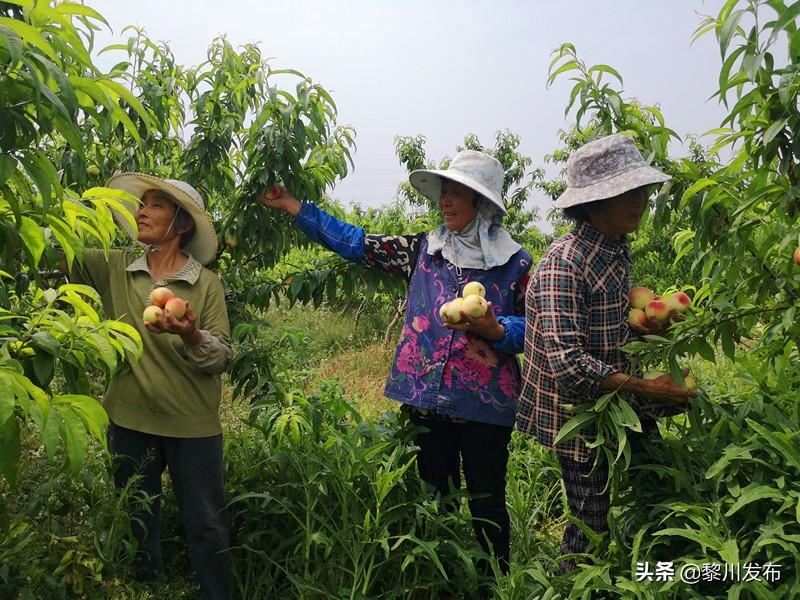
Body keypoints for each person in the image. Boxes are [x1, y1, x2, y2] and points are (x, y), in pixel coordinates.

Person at [256, 150, 531, 574]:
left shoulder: (515, 264)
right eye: (444, 191)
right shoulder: (423, 250)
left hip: (484, 407)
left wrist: (498, 331)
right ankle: (438, 579)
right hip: (424, 398)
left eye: (458, 193)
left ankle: (497, 582)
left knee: (487, 502)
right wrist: (294, 205)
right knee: (430, 495)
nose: (446, 200)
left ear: (483, 203)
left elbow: (537, 327)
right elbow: (356, 243)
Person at [515, 134, 696, 572]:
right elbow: (569, 365)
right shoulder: (564, 264)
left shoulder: (614, 247)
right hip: (580, 415)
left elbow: (609, 320)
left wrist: (649, 318)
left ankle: (651, 565)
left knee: (656, 482)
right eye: (627, 192)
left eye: (642, 190)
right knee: (589, 524)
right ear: (594, 203)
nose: (641, 201)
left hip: (617, 397)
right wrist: (649, 387)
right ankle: (569, 583)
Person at [67, 173, 233, 599]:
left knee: (207, 526)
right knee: (137, 521)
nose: (141, 210)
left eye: (156, 205)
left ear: (181, 224)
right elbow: (60, 246)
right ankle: (144, 590)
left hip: (192, 425)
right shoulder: (116, 266)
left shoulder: (205, 284)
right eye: (142, 204)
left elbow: (221, 358)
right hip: (129, 420)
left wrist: (191, 334)